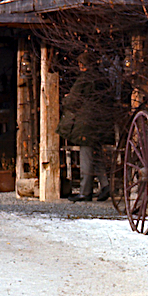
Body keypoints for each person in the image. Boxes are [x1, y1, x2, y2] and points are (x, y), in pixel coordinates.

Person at [57, 55, 110, 202]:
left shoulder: (85, 79)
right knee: (96, 154)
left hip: (86, 122)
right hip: (101, 121)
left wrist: (65, 99)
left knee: (86, 155)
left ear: (82, 64)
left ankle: (85, 191)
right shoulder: (103, 79)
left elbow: (73, 100)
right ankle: (105, 185)